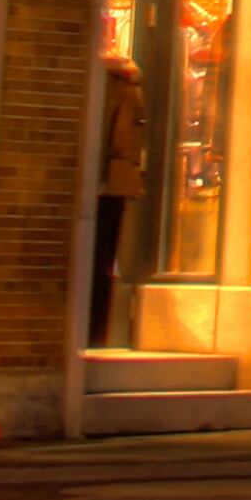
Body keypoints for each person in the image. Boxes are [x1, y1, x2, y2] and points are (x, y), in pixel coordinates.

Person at [86, 28, 150, 347]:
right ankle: (97, 332)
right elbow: (127, 136)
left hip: (104, 183)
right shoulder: (124, 83)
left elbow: (116, 136)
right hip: (115, 183)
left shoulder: (111, 84)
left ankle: (93, 332)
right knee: (103, 262)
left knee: (95, 260)